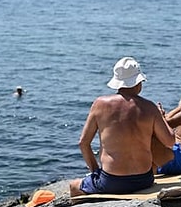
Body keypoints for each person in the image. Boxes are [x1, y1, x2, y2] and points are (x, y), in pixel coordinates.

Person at [69, 57, 175, 196]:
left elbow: (83, 143)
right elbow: (170, 141)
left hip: (112, 181)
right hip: (144, 180)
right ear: (138, 83)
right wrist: (161, 117)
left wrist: (95, 171)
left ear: (117, 83)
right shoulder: (150, 107)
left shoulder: (100, 104)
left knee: (73, 186)